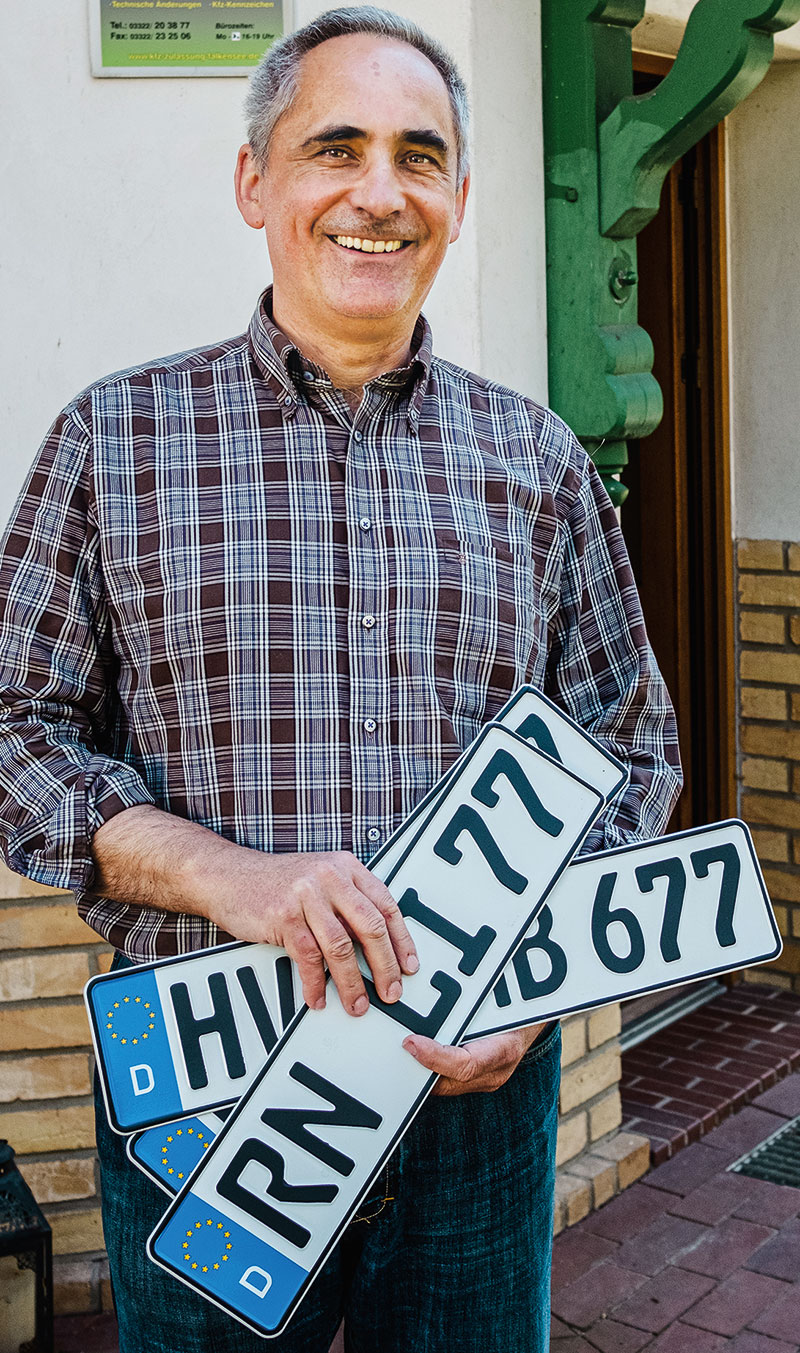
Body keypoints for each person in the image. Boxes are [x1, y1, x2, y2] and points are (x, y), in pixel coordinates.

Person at [0, 7, 681, 1351]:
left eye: (419, 156)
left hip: (469, 1104)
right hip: (204, 1090)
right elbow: (15, 727)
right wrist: (221, 874)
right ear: (256, 182)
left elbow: (630, 740)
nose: (380, 190)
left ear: (460, 199)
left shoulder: (537, 464)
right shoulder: (113, 442)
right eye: (336, 147)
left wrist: (530, 983)